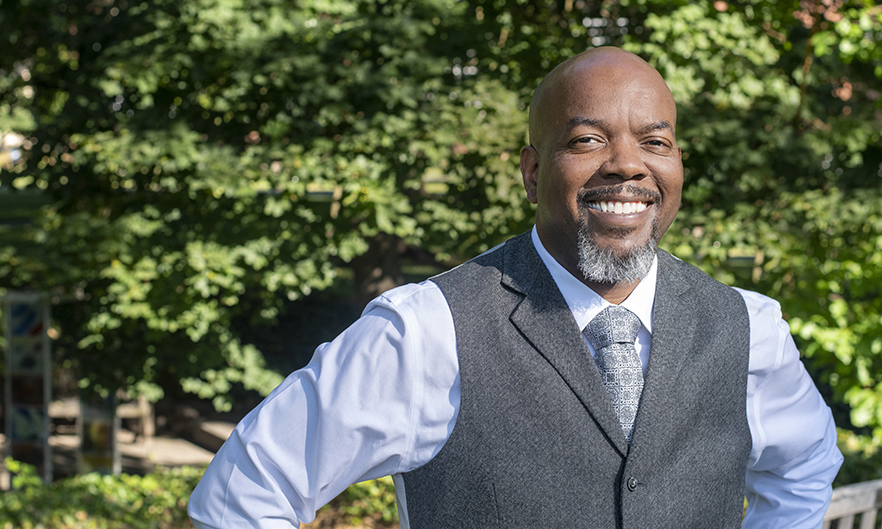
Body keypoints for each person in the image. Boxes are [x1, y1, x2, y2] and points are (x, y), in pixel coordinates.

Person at [188, 47, 842, 528]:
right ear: (532, 172)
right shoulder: (429, 330)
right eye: (587, 139)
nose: (627, 163)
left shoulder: (749, 330)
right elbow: (245, 493)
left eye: (655, 142)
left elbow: (805, 469)